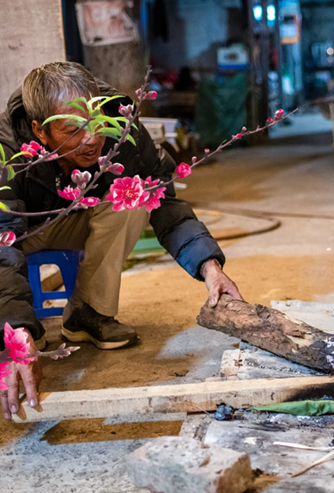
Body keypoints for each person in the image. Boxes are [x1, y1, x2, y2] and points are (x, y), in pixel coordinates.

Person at [0, 62, 243, 419]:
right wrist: (15, 334)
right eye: (73, 129)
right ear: (40, 130)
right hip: (21, 232)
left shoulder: (121, 125)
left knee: (138, 195)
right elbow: (2, 247)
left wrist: (209, 266)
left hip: (72, 215)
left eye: (96, 125)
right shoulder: (7, 150)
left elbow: (165, 199)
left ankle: (87, 312)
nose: (91, 139)